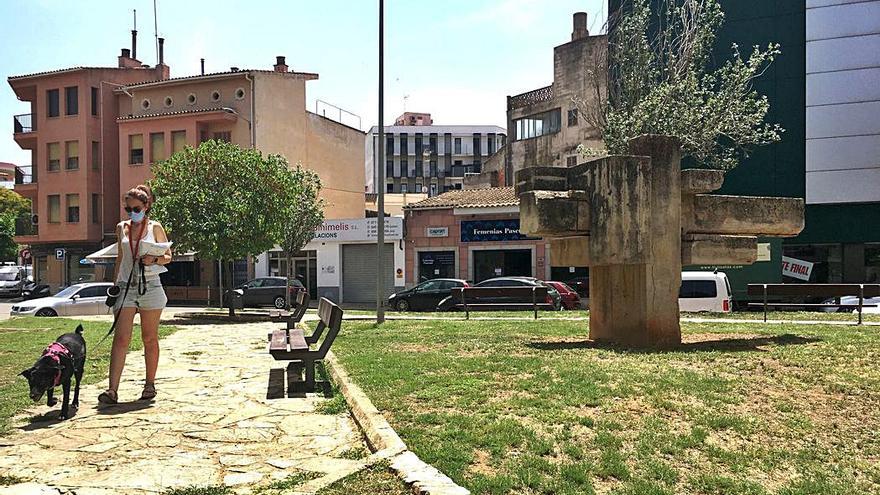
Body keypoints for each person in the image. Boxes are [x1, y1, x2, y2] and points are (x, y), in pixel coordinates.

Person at [98, 185, 172, 404]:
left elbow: (168, 256)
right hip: (126, 286)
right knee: (121, 338)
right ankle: (112, 390)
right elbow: (120, 258)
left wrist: (154, 259)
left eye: (136, 208)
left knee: (149, 337)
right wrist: (115, 286)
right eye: (128, 209)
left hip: (150, 285)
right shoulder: (122, 227)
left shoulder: (155, 227)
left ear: (146, 206)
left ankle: (149, 385)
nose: (132, 213)